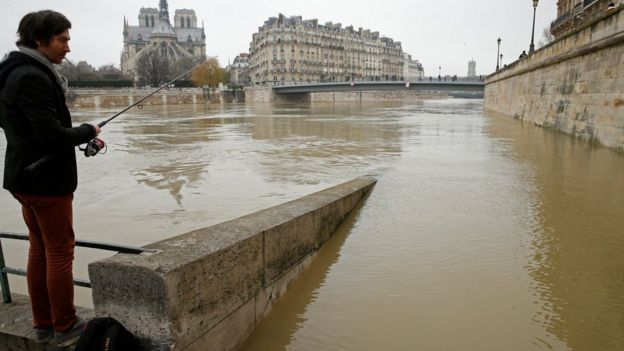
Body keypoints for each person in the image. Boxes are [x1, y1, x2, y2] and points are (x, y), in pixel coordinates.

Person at [0, 10, 100, 347]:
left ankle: (43, 323)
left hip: (23, 178)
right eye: (63, 39)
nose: (68, 47)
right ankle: (65, 325)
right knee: (59, 251)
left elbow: (20, 127)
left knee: (39, 249)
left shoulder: (11, 72)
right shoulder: (31, 76)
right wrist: (88, 131)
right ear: (40, 40)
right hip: (45, 181)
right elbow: (52, 137)